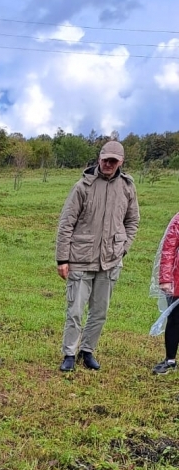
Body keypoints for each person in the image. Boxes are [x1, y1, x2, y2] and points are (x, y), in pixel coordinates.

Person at [55, 140, 139, 372]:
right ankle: (69, 354)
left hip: (110, 260)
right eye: (105, 159)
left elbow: (132, 221)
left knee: (99, 312)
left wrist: (123, 247)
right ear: (99, 158)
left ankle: (87, 350)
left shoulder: (127, 187)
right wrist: (62, 259)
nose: (108, 164)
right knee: (75, 311)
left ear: (121, 162)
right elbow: (66, 224)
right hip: (81, 259)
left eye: (114, 160)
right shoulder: (82, 186)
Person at [152, 212, 179, 374]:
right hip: (177, 280)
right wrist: (165, 279)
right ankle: (170, 360)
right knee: (175, 320)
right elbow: (168, 249)